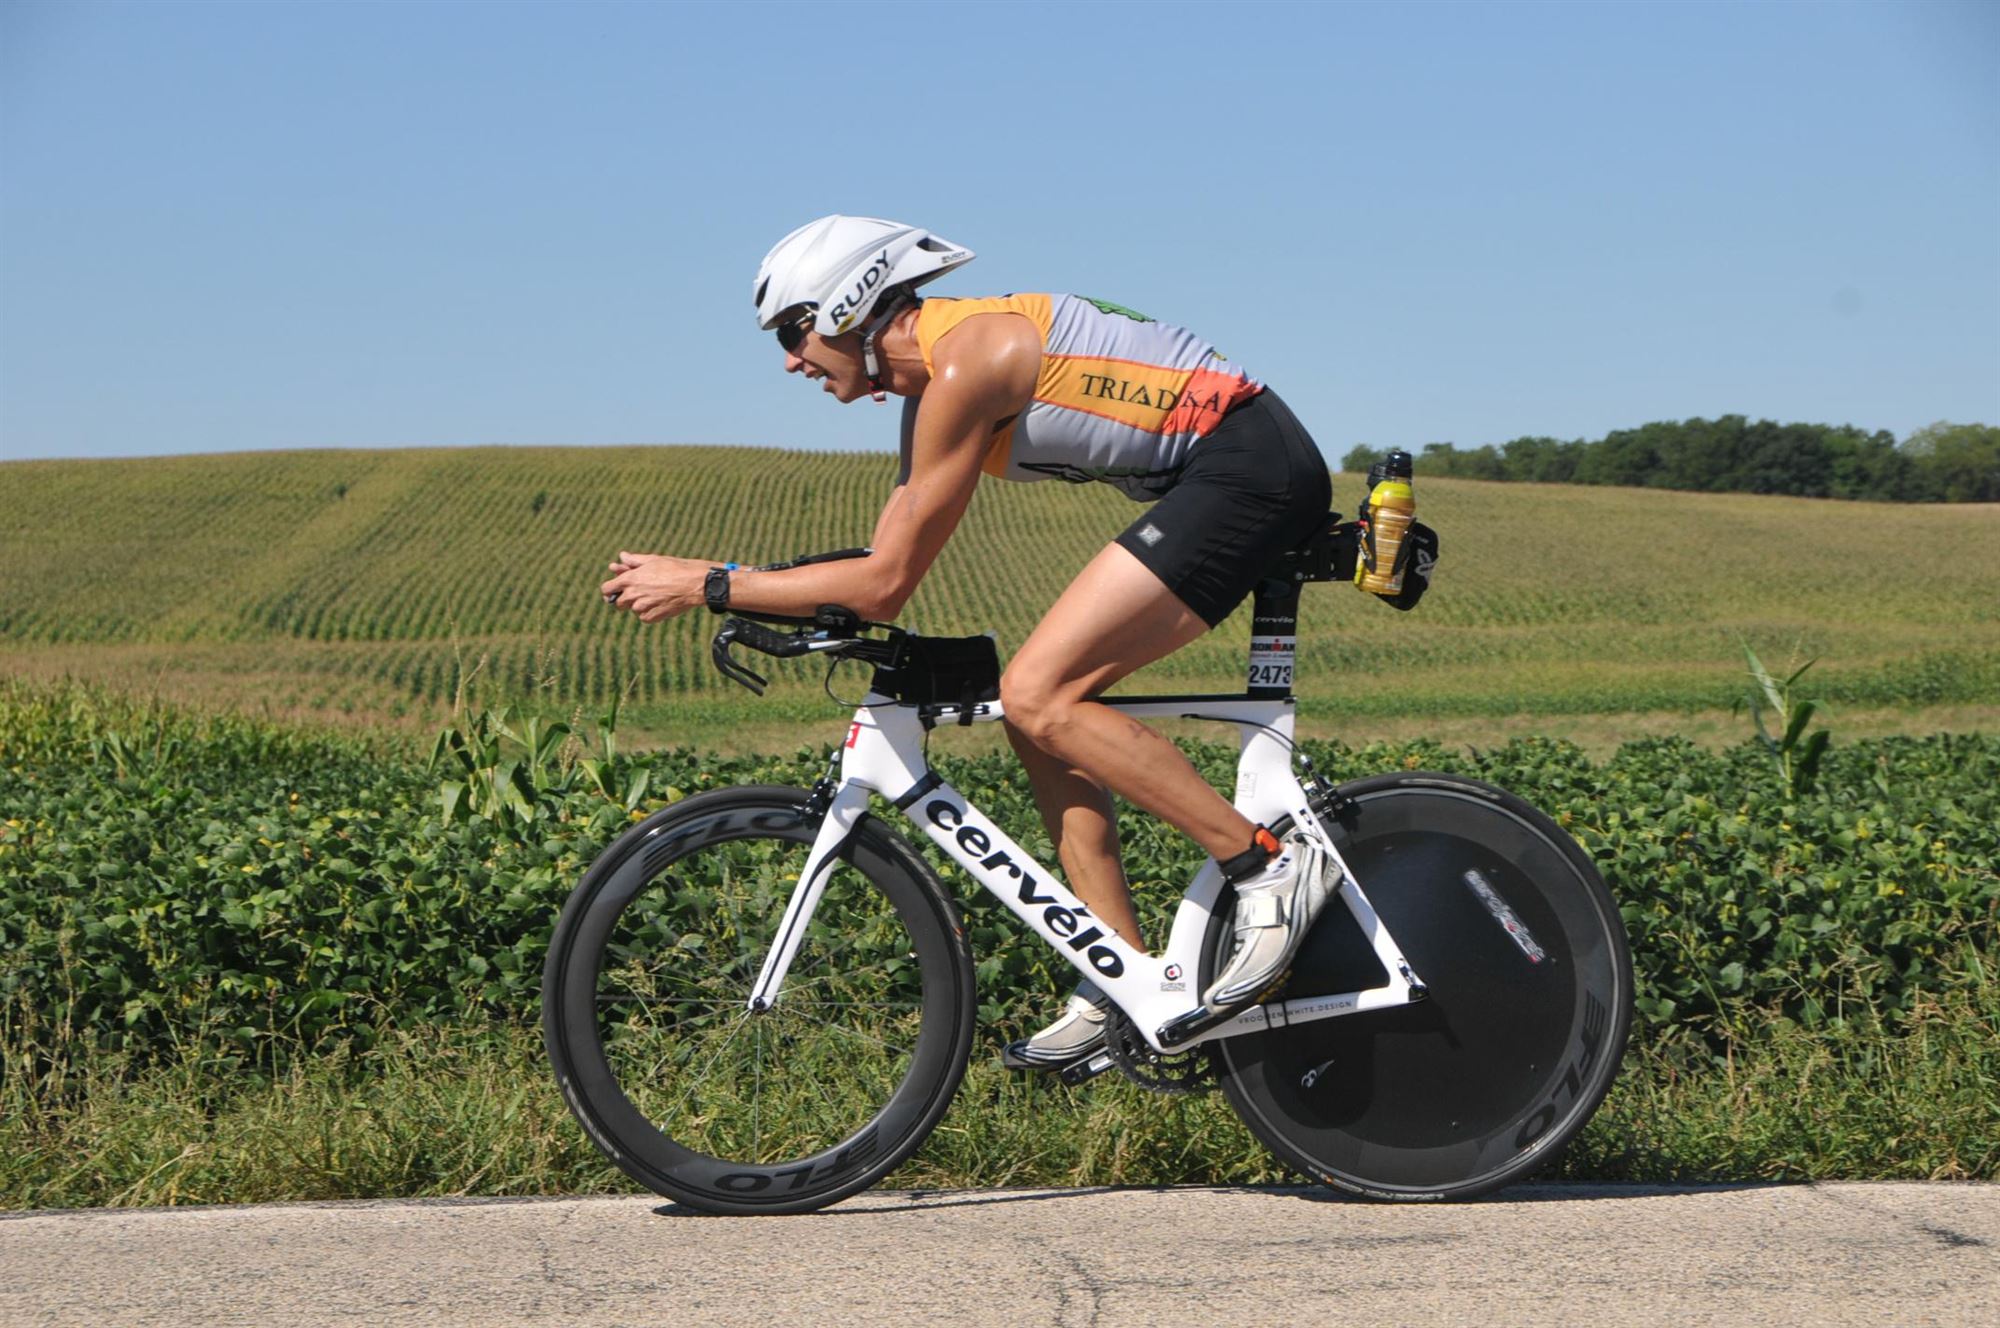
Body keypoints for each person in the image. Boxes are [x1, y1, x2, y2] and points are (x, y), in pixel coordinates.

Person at [602, 215, 1336, 1067]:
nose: (791, 360)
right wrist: (753, 586)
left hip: (1249, 467)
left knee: (1039, 692)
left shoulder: (970, 360)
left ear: (845, 306)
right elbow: (881, 563)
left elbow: (883, 584)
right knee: (1036, 715)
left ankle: (1267, 867)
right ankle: (1123, 973)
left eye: (792, 333)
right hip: (1220, 472)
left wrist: (710, 583)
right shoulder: (934, 390)